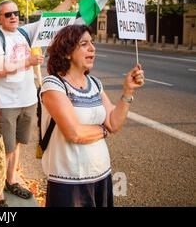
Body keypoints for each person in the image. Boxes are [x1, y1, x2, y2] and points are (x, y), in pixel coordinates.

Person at [0, 0, 86, 200]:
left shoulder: (24, 32)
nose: (13, 17)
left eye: (16, 13)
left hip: (28, 99)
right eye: (8, 14)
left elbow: (52, 19)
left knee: (18, 142)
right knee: (5, 146)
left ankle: (11, 180)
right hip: (7, 102)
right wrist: (27, 61)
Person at [40, 24, 145, 207]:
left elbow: (114, 123)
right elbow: (74, 133)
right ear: (67, 53)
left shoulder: (95, 84)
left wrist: (128, 91)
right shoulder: (53, 85)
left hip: (101, 174)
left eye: (92, 43)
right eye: (84, 44)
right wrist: (103, 130)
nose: (92, 48)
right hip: (68, 181)